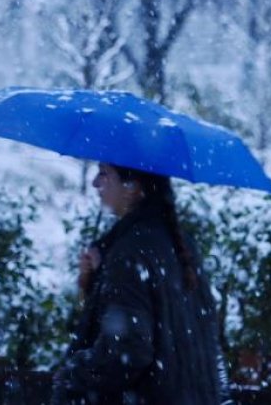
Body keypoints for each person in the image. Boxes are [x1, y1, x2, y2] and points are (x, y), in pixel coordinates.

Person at [52, 163, 231, 404]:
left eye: (104, 174)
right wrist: (97, 275)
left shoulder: (130, 252)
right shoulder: (177, 243)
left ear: (133, 188)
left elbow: (129, 348)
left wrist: (74, 373)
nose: (95, 183)